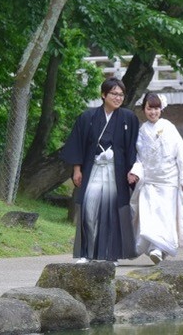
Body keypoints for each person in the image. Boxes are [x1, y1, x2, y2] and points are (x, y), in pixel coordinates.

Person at [60, 77, 139, 263]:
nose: (118, 98)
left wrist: (133, 169)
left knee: (112, 212)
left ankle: (110, 255)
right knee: (89, 208)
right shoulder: (87, 117)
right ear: (104, 95)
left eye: (121, 95)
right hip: (94, 168)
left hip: (116, 171)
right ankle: (86, 253)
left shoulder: (129, 118)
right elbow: (78, 144)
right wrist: (77, 170)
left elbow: (133, 148)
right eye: (114, 94)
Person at [129, 93, 183, 264]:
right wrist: (136, 171)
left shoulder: (168, 127)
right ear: (144, 109)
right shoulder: (142, 131)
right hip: (150, 180)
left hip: (168, 180)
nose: (153, 112)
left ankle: (158, 249)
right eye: (149, 108)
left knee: (165, 216)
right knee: (149, 215)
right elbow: (139, 157)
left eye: (156, 108)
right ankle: (155, 248)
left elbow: (181, 152)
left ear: (161, 109)